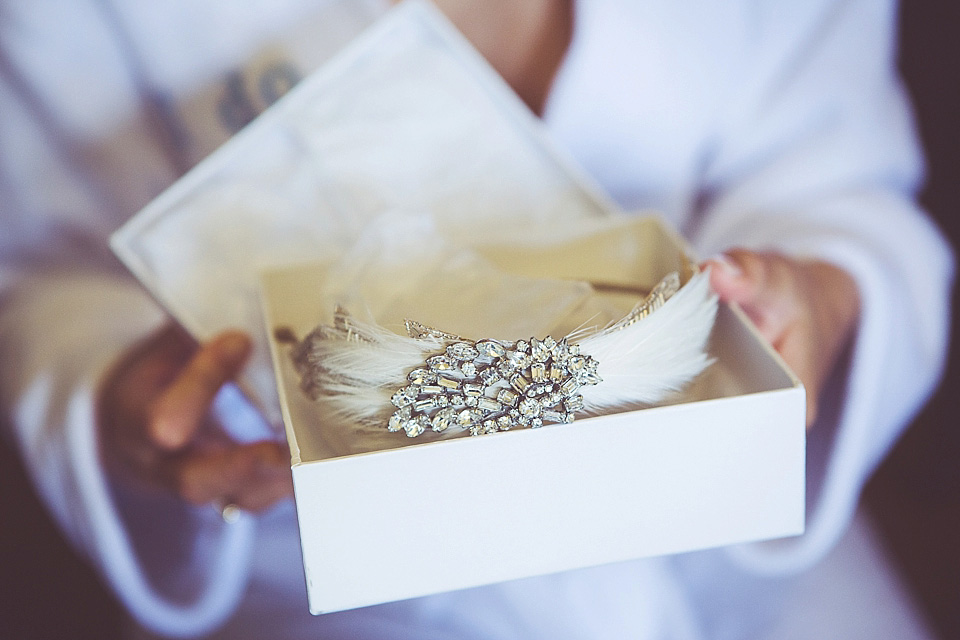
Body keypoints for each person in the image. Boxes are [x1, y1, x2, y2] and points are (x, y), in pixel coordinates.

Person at [0, 0, 952, 638]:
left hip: (747, 566)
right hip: (333, 579)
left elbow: (836, 181)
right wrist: (117, 387)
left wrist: (825, 292)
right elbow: (44, 269)